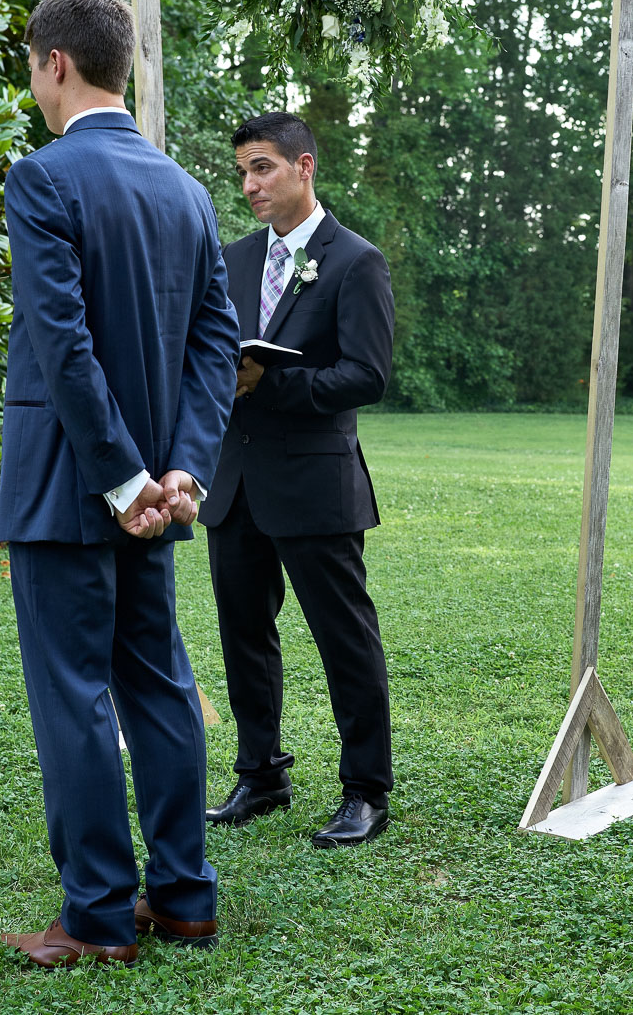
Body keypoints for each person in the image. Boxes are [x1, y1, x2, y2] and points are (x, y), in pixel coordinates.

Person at [0, 0, 238, 969]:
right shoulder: (187, 189)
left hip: (70, 485)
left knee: (74, 695)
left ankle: (96, 915)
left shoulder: (41, 177)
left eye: (31, 65)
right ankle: (184, 897)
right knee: (159, 683)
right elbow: (215, 343)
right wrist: (182, 469)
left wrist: (123, 478)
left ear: (55, 63)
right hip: (157, 493)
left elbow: (62, 345)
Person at [197, 112, 397, 849]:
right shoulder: (233, 258)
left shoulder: (355, 261)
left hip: (316, 485)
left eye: (263, 168)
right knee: (243, 634)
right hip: (235, 483)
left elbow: (367, 375)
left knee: (345, 639)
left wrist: (268, 383)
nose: (250, 185)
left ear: (304, 166)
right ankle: (261, 774)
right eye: (243, 171)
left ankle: (366, 790)